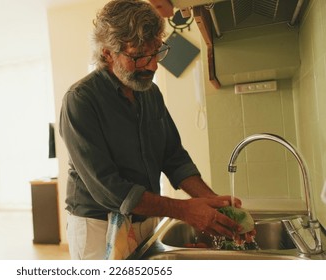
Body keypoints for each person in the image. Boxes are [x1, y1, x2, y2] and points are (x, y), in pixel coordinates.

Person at [59, 0, 243, 260]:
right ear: (107, 53)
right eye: (139, 56)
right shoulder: (80, 100)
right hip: (97, 227)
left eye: (156, 51)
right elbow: (109, 189)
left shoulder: (150, 93)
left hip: (146, 219)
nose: (153, 65)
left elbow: (173, 156)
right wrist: (185, 210)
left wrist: (215, 205)